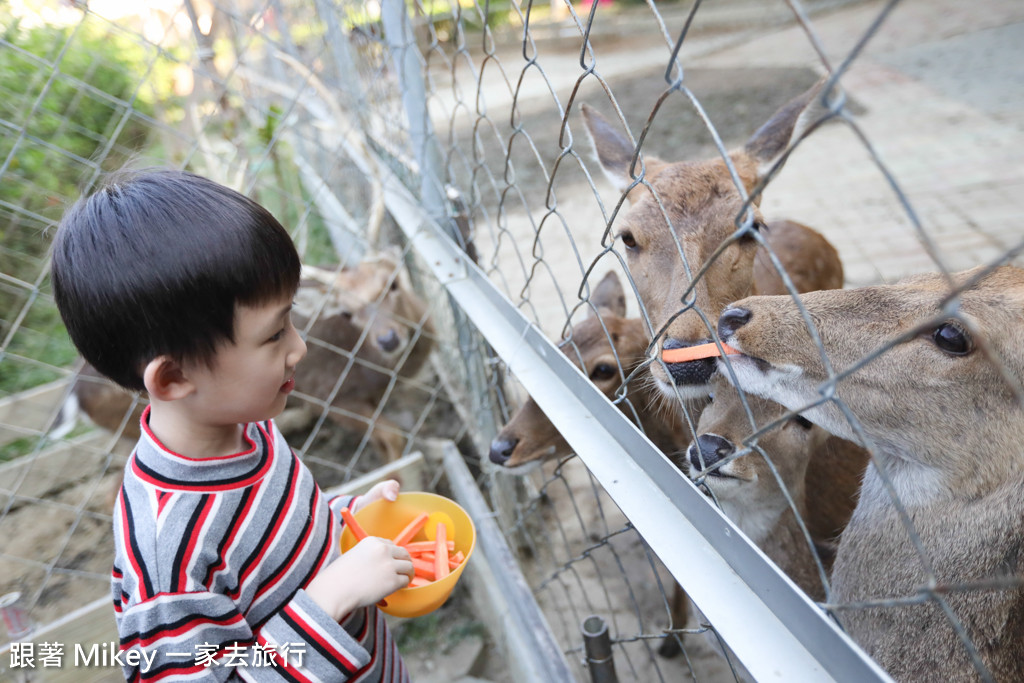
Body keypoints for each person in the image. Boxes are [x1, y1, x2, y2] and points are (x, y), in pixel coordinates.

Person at [50, 168, 414, 681]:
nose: (300, 348)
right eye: (274, 336)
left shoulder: (246, 426)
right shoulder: (168, 553)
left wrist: (349, 520)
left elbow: (280, 544)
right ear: (175, 377)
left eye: (292, 320)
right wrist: (330, 601)